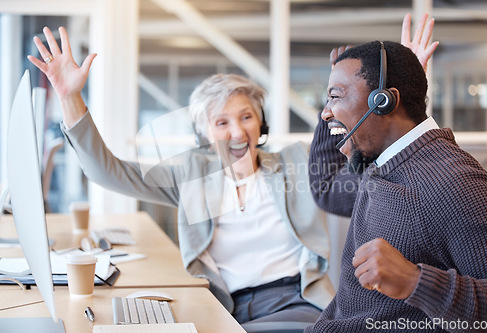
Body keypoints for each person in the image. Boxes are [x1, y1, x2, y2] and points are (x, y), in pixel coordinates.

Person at [28, 12, 436, 327]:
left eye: (245, 117)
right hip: (220, 305)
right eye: (221, 122)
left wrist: (405, 87)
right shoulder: (190, 175)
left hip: (297, 303)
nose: (237, 130)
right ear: (205, 133)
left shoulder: (296, 162)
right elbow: (108, 173)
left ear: (261, 123)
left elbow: (378, 162)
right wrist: (70, 99)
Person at [307, 37, 487, 333]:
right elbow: (328, 191)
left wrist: (414, 282)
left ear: (383, 102)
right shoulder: (382, 162)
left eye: (336, 96)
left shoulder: (455, 182)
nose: (325, 112)